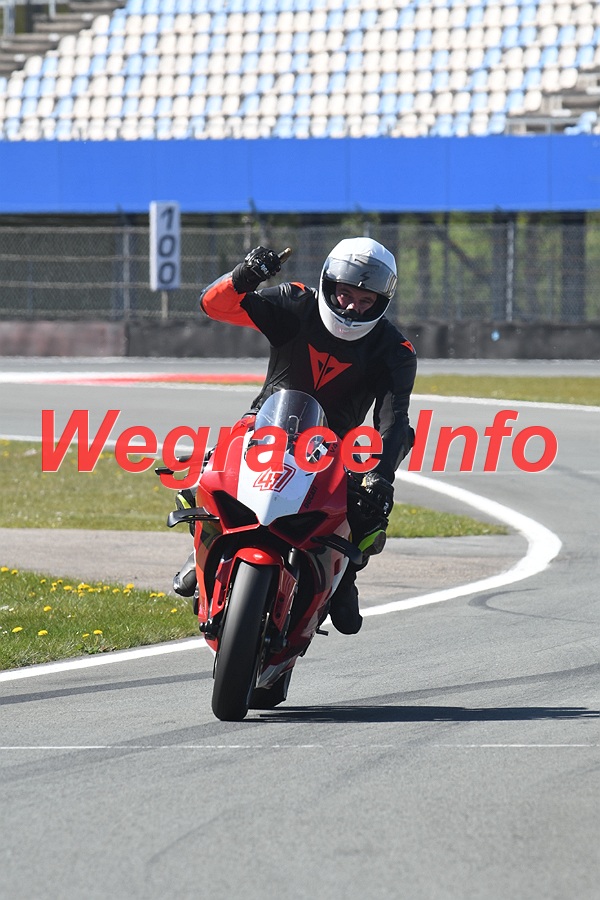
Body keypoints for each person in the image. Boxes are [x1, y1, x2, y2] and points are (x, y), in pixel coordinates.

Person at [173, 237, 417, 635]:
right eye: (345, 294)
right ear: (329, 284)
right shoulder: (295, 302)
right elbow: (213, 305)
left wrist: (381, 476)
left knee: (370, 510)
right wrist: (244, 276)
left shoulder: (395, 350)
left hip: (334, 447)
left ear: (381, 302)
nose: (351, 307)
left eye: (365, 300)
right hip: (263, 423)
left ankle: (344, 577)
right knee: (203, 477)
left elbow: (394, 422)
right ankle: (205, 546)